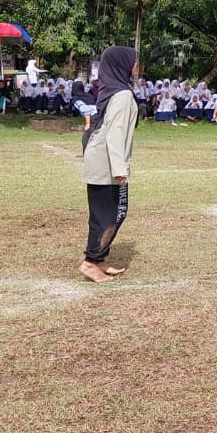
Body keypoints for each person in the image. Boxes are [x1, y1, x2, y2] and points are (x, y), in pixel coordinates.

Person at [79, 46, 139, 283]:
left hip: (104, 160)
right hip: (106, 164)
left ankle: (100, 258)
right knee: (108, 215)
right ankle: (90, 262)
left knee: (115, 212)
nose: (137, 66)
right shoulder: (122, 95)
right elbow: (115, 132)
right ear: (122, 64)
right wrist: (119, 169)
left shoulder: (115, 89)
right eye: (134, 62)